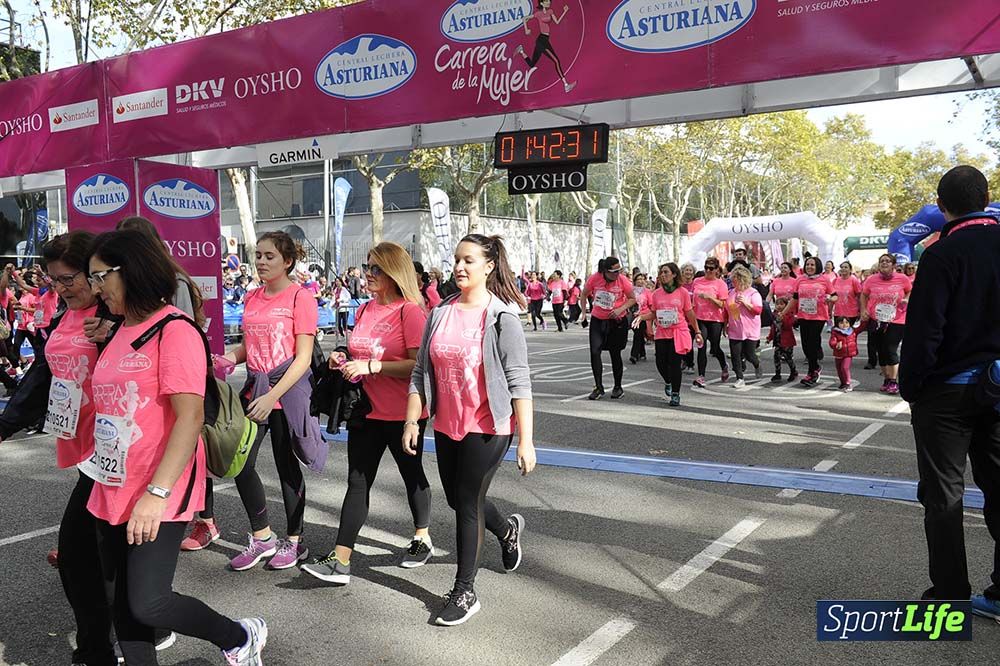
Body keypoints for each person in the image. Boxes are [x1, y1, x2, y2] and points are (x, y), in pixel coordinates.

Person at [86, 230, 267, 665]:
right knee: (122, 601)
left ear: (130, 271)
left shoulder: (175, 330)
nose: (95, 288)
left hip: (159, 484)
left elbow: (190, 417)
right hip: (111, 482)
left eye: (100, 277)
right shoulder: (120, 330)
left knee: (148, 602)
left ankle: (239, 635)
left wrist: (157, 493)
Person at [0, 232, 118, 665]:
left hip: (117, 452)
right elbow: (44, 375)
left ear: (94, 273)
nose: (61, 288)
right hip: (83, 447)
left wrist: (111, 336)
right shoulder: (67, 315)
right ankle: (136, 629)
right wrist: (5, 425)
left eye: (69, 279)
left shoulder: (115, 314)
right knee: (99, 558)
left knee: (78, 556)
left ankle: (97, 650)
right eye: (54, 280)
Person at [405, 234, 535, 626]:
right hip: (447, 424)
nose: (460, 267)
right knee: (458, 500)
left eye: (469, 260)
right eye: (457, 260)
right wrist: (412, 419)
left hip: (489, 425)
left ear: (489, 266)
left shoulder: (501, 317)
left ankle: (465, 591)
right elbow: (419, 371)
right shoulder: (440, 312)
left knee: (467, 502)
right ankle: (506, 530)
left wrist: (526, 442)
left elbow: (519, 381)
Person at [898, 165, 1000, 613]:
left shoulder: (941, 254)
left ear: (941, 207)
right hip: (998, 386)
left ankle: (950, 596)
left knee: (943, 496)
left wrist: (911, 386)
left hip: (947, 394)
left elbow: (925, 331)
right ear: (987, 198)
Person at [302, 242, 434, 585]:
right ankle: (340, 560)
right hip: (366, 411)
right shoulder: (364, 309)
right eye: (367, 266)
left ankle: (422, 536)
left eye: (376, 269)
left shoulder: (410, 312)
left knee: (411, 474)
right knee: (357, 482)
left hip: (405, 412)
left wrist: (373, 366)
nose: (368, 274)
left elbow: (417, 366)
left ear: (394, 272)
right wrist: (342, 357)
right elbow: (356, 349)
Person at [222, 231, 323, 572]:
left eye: (269, 256)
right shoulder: (252, 296)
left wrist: (272, 396)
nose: (261, 262)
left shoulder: (300, 298)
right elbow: (249, 346)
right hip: (256, 389)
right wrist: (227, 359)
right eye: (258, 255)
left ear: (287, 261)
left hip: (286, 393)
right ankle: (262, 536)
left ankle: (294, 541)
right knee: (239, 462)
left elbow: (303, 357)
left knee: (286, 467)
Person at [632, 263, 702, 406]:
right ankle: (668, 381)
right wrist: (641, 317)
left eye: (666, 272)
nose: (662, 275)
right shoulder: (657, 293)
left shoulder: (682, 292)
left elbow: (689, 313)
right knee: (660, 363)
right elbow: (653, 313)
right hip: (662, 332)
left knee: (674, 363)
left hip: (678, 332)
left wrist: (697, 331)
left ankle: (675, 394)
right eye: (661, 272)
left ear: (674, 274)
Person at [580, 256, 636, 400]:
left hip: (616, 321)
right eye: (614, 271)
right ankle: (598, 387)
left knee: (615, 353)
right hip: (598, 320)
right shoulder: (595, 278)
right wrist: (584, 314)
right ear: (605, 271)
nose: (617, 274)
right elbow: (584, 294)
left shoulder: (622, 280)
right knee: (594, 352)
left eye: (619, 270)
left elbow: (632, 298)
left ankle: (618, 387)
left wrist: (620, 309)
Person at [860, 253, 911, 395]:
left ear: (894, 265)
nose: (884, 263)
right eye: (882, 261)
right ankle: (887, 379)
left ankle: (894, 381)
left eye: (888, 261)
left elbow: (910, 291)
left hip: (896, 319)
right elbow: (864, 294)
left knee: (890, 348)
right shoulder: (871, 279)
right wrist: (863, 309)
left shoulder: (902, 278)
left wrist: (906, 299)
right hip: (876, 319)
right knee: (880, 350)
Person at [785, 256, 837, 387]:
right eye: (807, 264)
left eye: (812, 265)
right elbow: (794, 298)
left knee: (812, 344)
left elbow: (835, 296)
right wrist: (783, 312)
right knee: (805, 345)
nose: (809, 267)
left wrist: (830, 299)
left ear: (818, 266)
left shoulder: (824, 279)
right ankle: (815, 367)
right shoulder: (800, 279)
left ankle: (812, 372)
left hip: (818, 317)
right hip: (803, 315)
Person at [514, 0, 576, 93]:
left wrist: (565, 11)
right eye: (546, 1)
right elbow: (524, 18)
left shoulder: (550, 11)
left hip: (545, 39)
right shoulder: (538, 14)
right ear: (541, 3)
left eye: (549, 1)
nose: (549, 2)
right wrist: (526, 29)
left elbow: (557, 22)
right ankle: (566, 85)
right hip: (542, 40)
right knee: (556, 61)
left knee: (532, 64)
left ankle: (521, 51)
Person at [691, 257, 730, 388]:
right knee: (701, 346)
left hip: (715, 319)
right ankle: (701, 376)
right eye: (706, 268)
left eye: (711, 268)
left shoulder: (720, 284)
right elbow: (692, 298)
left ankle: (724, 365)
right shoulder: (697, 281)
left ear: (717, 270)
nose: (708, 270)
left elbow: (722, 304)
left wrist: (710, 297)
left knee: (715, 347)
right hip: (699, 318)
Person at [725, 266, 763, 388]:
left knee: (749, 354)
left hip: (750, 329)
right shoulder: (731, 293)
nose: (733, 282)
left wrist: (746, 303)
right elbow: (726, 310)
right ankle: (739, 378)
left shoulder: (753, 293)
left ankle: (757, 364)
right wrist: (725, 325)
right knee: (735, 354)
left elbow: (758, 310)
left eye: (735, 279)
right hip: (735, 328)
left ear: (742, 279)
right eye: (732, 279)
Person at [768, 297, 798, 382]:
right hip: (778, 341)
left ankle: (793, 371)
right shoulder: (774, 315)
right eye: (777, 304)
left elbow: (788, 326)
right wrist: (769, 338)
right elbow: (773, 327)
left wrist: (783, 317)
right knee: (776, 357)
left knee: (788, 357)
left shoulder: (789, 314)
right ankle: (777, 374)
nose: (779, 306)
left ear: (786, 305)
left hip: (787, 341)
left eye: (781, 304)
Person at [829, 316, 859, 391]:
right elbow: (832, 341)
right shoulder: (835, 332)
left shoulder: (852, 331)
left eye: (846, 322)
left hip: (848, 354)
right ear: (837, 324)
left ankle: (848, 383)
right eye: (842, 323)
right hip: (838, 354)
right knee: (839, 370)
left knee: (845, 368)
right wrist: (835, 345)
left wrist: (864, 319)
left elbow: (861, 327)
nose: (845, 324)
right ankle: (843, 383)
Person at [832, 261, 862, 325]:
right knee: (837, 330)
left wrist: (860, 310)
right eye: (842, 267)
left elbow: (860, 296)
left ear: (850, 270)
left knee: (848, 331)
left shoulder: (854, 280)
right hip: (838, 312)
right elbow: (832, 295)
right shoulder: (836, 280)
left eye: (846, 267)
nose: (843, 269)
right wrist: (829, 310)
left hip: (851, 313)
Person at [679, 263, 697, 373]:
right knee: (681, 341)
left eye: (690, 270)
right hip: (681, 318)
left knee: (689, 341)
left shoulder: (696, 285)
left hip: (692, 317)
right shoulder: (679, 285)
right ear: (682, 272)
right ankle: (684, 360)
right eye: (686, 270)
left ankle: (690, 364)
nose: (688, 272)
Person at [628, 273, 649, 364]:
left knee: (638, 335)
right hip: (632, 316)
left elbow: (651, 305)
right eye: (638, 279)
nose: (640, 281)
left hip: (643, 316)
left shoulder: (647, 291)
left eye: (642, 279)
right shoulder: (631, 291)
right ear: (635, 281)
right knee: (639, 335)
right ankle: (642, 352)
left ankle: (634, 355)